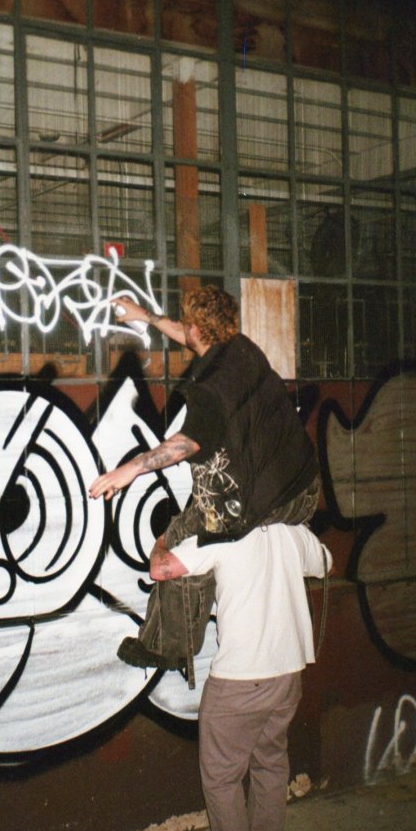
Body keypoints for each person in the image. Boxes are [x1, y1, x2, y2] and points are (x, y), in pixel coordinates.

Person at [89, 286, 320, 675]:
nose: (184, 330)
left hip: (275, 498)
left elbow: (184, 444)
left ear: (197, 328)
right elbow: (187, 334)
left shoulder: (210, 389)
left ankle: (169, 648)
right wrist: (144, 316)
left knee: (183, 539)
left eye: (187, 324)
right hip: (303, 484)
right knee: (198, 516)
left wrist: (127, 470)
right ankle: (172, 638)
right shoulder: (241, 347)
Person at [152, 522, 332, 831]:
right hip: (288, 673)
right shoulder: (292, 531)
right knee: (270, 765)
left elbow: (161, 569)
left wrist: (162, 541)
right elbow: (326, 563)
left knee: (221, 777)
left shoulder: (221, 536)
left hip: (240, 680)